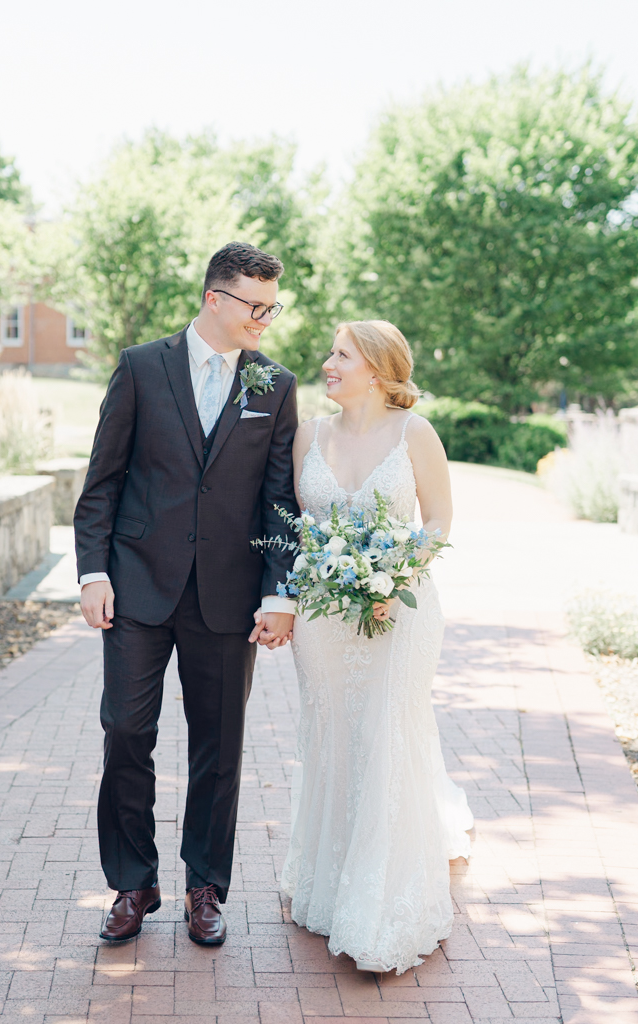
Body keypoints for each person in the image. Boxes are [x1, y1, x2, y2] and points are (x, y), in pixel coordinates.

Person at [74, 242, 299, 946]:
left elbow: (278, 503)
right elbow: (102, 479)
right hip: (137, 586)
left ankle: (206, 886)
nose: (264, 318)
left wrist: (277, 594)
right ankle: (133, 885)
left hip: (228, 598)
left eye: (271, 306)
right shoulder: (142, 366)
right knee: (125, 733)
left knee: (219, 746)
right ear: (215, 299)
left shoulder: (274, 384)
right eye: (254, 305)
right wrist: (93, 572)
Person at [281, 319, 473, 974]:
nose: (327, 363)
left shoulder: (414, 434)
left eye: (340, 354)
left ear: (375, 367)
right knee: (334, 740)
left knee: (388, 736)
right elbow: (291, 528)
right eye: (330, 353)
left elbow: (439, 521)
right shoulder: (309, 433)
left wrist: (395, 574)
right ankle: (332, 882)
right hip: (322, 619)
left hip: (400, 611)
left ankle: (382, 906)